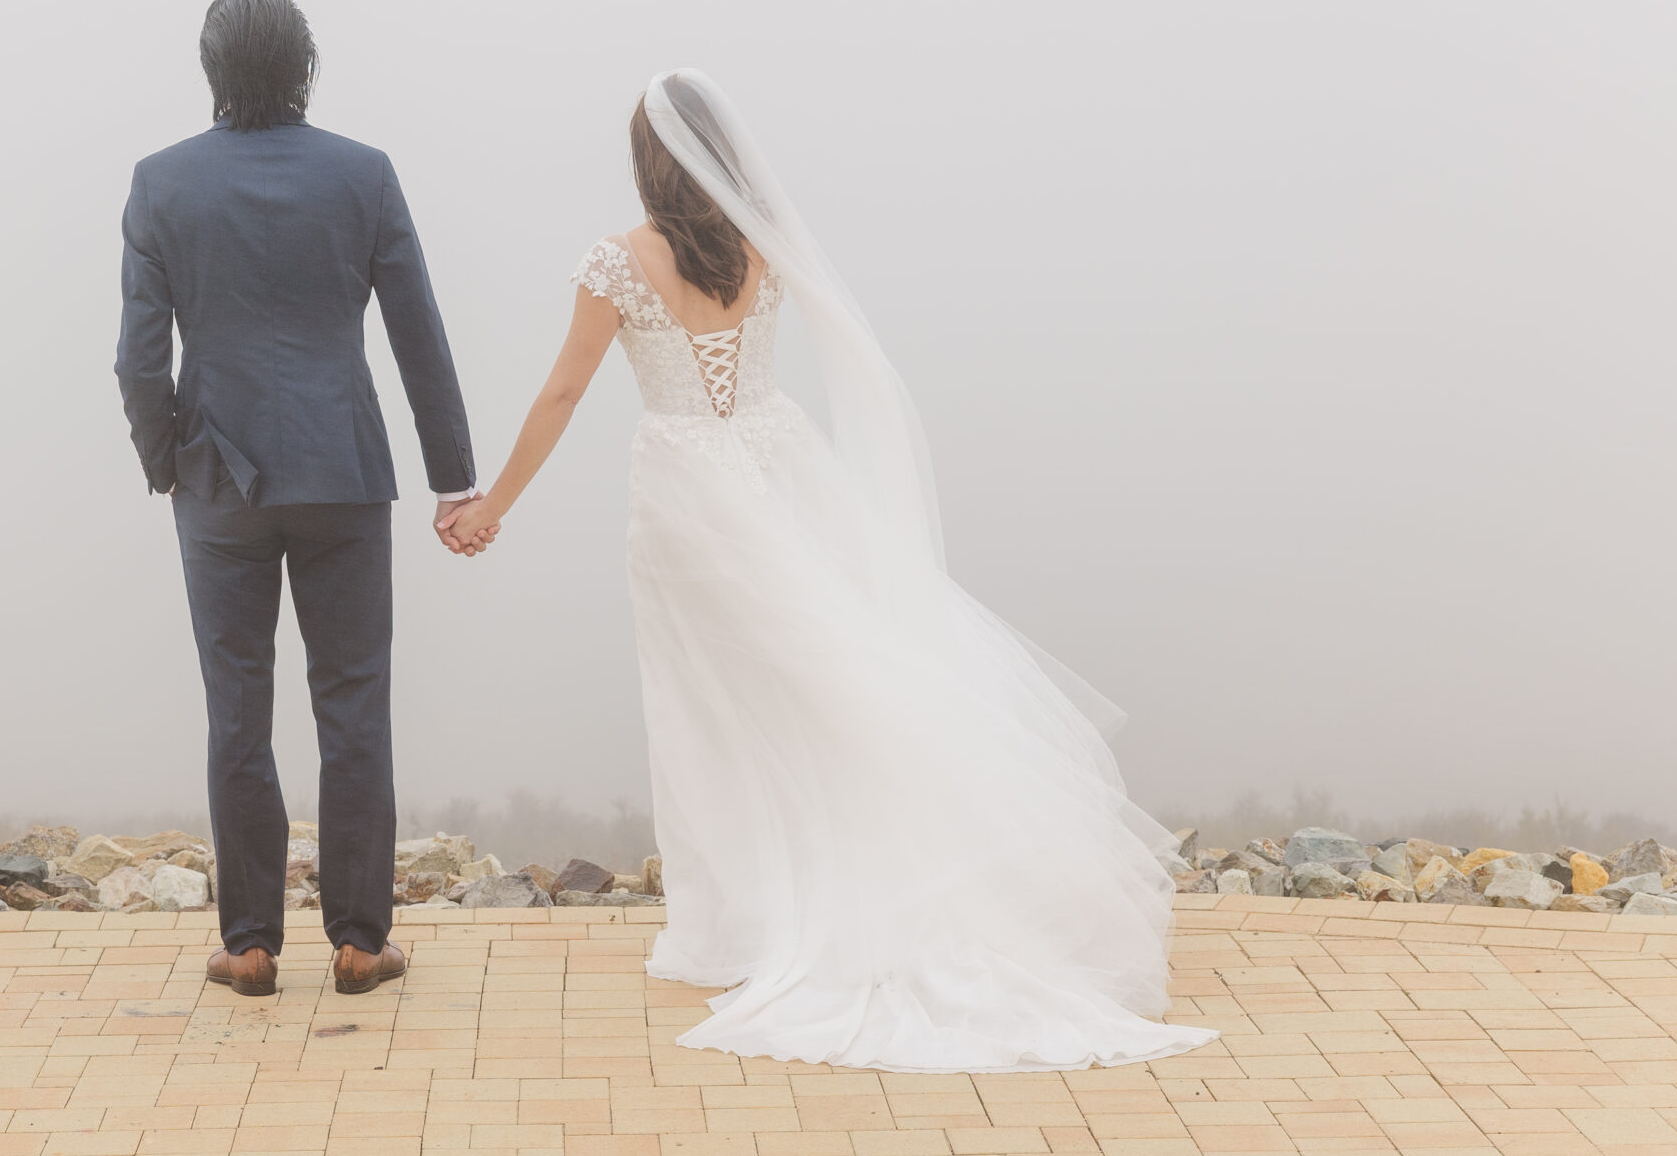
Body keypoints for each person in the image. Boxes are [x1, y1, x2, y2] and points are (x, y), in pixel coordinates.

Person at [437, 70, 1215, 1072]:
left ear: (645, 163)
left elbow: (561, 391)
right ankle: (813, 896)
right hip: (780, 465)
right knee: (815, 681)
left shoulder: (616, 262)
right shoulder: (763, 244)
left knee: (708, 705)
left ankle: (739, 922)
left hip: (681, 484)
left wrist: (491, 505)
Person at [116, 0, 489, 1000]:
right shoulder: (362, 175)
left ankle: (247, 944)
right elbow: (419, 333)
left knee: (236, 708)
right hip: (344, 473)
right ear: (305, 65)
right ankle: (361, 940)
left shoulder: (161, 185)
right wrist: (454, 475)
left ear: (211, 68)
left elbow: (138, 359)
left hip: (219, 482)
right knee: (354, 702)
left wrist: (168, 460)